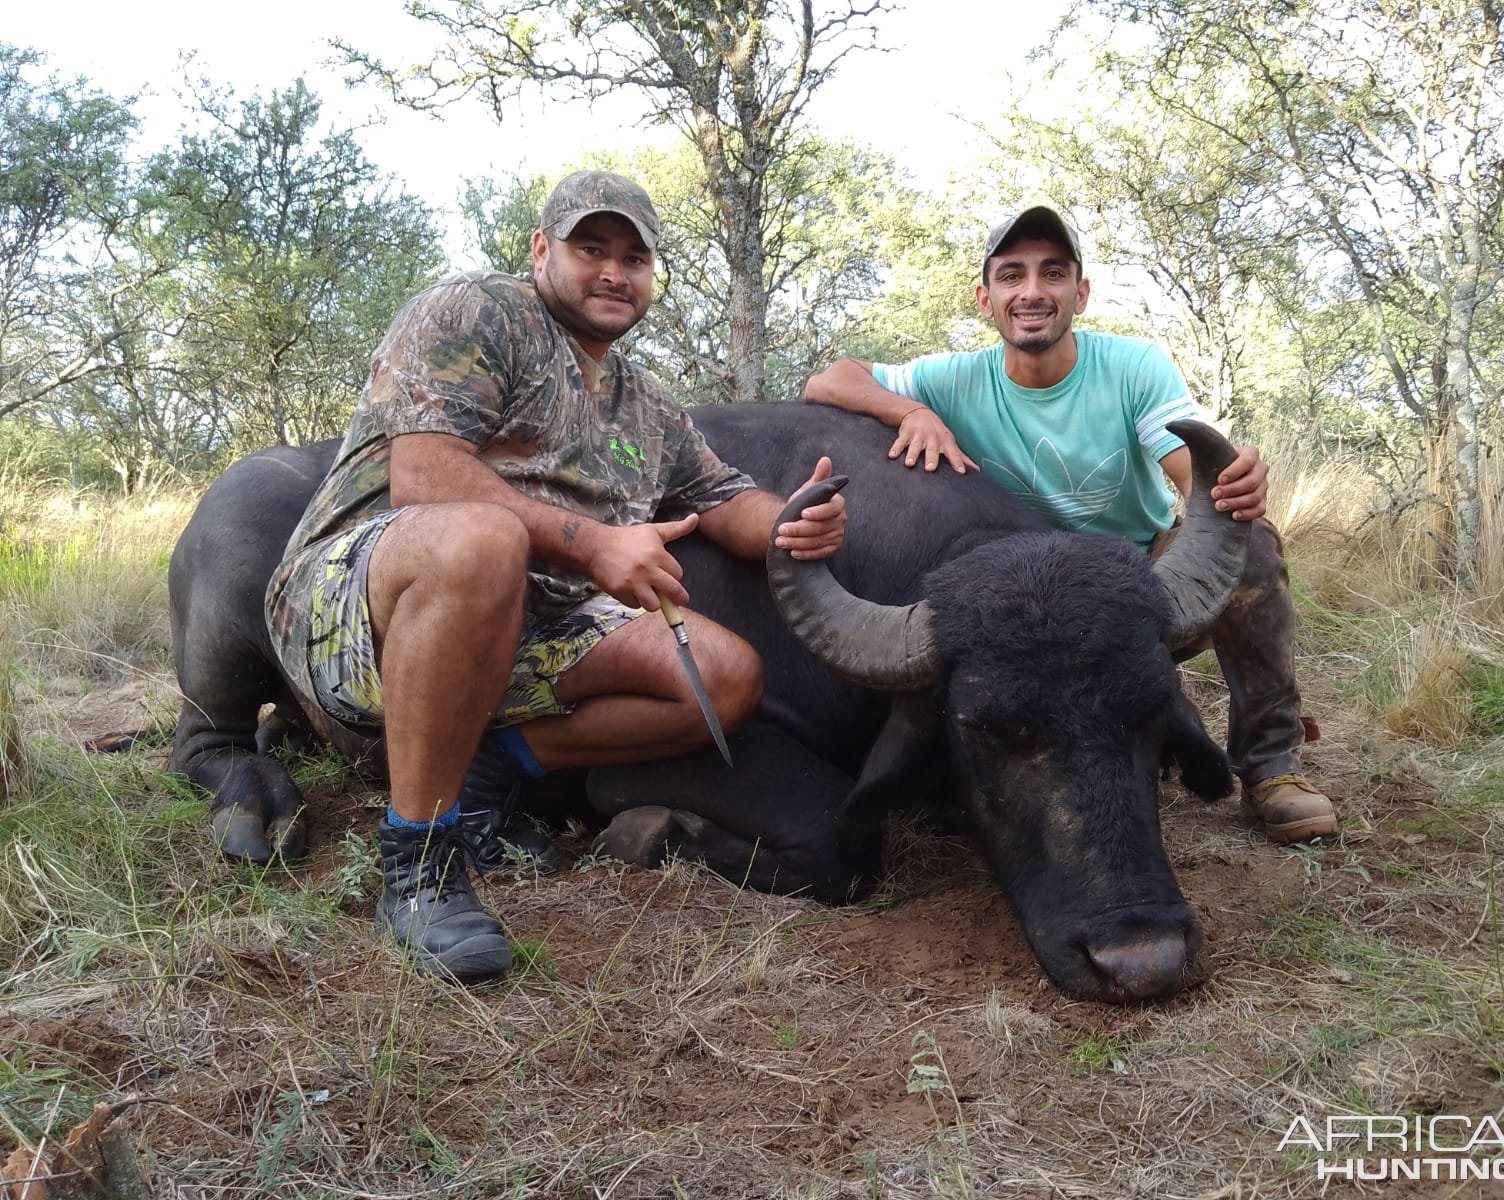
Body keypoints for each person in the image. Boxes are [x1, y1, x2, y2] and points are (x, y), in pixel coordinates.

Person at [265, 170, 847, 981]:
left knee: (723, 675)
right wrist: (596, 544)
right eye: (591, 248)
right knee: (481, 543)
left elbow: (723, 498)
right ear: (543, 250)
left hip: (531, 629)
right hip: (359, 605)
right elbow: (425, 480)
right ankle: (420, 865)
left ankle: (488, 782)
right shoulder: (475, 313)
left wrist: (792, 524)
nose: (615, 272)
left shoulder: (645, 400)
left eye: (635, 258)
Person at [803, 204, 1336, 845]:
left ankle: (1271, 766)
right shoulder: (954, 377)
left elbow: (1194, 474)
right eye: (1012, 275)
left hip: (1133, 592)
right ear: (986, 298)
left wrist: (1231, 487)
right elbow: (830, 379)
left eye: (1053, 274)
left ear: (1079, 294)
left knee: (1247, 540)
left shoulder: (1133, 366)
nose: (1032, 292)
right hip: (1023, 616)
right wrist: (909, 409)